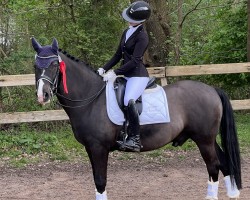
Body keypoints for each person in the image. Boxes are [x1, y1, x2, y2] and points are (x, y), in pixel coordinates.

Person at [97, 1, 151, 152]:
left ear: (141, 20)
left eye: (131, 18)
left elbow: (135, 61)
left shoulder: (143, 36)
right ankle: (120, 131)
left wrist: (115, 72)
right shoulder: (126, 32)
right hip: (125, 74)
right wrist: (103, 68)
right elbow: (117, 55)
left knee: (128, 100)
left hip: (137, 76)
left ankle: (135, 138)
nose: (127, 19)